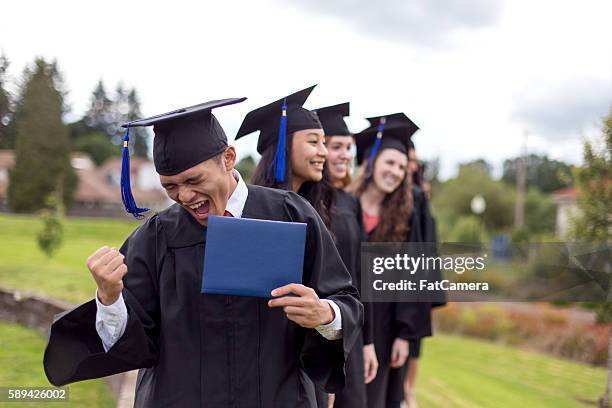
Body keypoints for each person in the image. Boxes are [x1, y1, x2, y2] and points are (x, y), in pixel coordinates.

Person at [43, 97, 363, 407]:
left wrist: (324, 313)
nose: (184, 195)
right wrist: (109, 299)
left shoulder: (290, 214)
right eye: (170, 186)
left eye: (194, 179)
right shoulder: (157, 237)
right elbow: (135, 343)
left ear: (228, 158)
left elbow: (345, 301)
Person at [236, 88, 363, 408]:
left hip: (307, 361)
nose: (324, 152)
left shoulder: (322, 210)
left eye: (325, 142)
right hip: (258, 362)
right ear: (281, 146)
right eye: (313, 141)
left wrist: (326, 369)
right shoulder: (246, 212)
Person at [348, 113, 432, 408]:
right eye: (389, 163)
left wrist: (405, 335)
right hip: (347, 317)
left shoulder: (406, 217)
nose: (395, 172)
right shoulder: (346, 204)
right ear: (371, 163)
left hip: (386, 326)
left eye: (400, 167)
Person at [316, 102, 377, 408]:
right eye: (336, 146)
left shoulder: (350, 203)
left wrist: (368, 342)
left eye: (349, 147)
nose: (344, 154)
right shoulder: (305, 202)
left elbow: (363, 276)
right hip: (318, 333)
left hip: (349, 331)